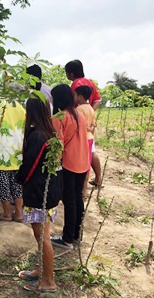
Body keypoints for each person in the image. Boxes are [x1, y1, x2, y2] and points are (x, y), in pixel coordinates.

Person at [15, 98, 63, 293]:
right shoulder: (49, 133)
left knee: (42, 236)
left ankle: (49, 281)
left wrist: (18, 178)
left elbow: (30, 167)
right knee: (41, 235)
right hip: (49, 191)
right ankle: (42, 270)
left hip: (40, 192)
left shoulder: (37, 137)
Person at [50, 84, 89, 250]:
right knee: (77, 200)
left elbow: (57, 145)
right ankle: (76, 235)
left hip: (69, 164)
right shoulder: (79, 115)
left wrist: (53, 167)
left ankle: (67, 239)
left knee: (69, 201)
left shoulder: (59, 117)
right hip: (82, 163)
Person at [0, 101, 26, 222]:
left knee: (3, 185)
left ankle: (7, 214)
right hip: (17, 153)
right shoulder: (22, 110)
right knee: (17, 185)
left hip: (1, 155)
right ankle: (19, 214)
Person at [65, 59, 102, 187]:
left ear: (71, 73)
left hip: (79, 125)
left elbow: (70, 103)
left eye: (67, 73)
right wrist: (89, 110)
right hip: (90, 124)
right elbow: (97, 100)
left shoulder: (76, 84)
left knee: (81, 154)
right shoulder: (90, 83)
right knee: (91, 151)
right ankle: (97, 178)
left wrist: (80, 114)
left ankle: (82, 185)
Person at [74, 85, 96, 198]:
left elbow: (79, 126)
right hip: (90, 138)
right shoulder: (91, 109)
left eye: (75, 95)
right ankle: (84, 189)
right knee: (87, 165)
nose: (74, 97)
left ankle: (82, 190)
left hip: (82, 139)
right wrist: (91, 129)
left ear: (80, 96)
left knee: (81, 165)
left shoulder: (79, 110)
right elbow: (93, 125)